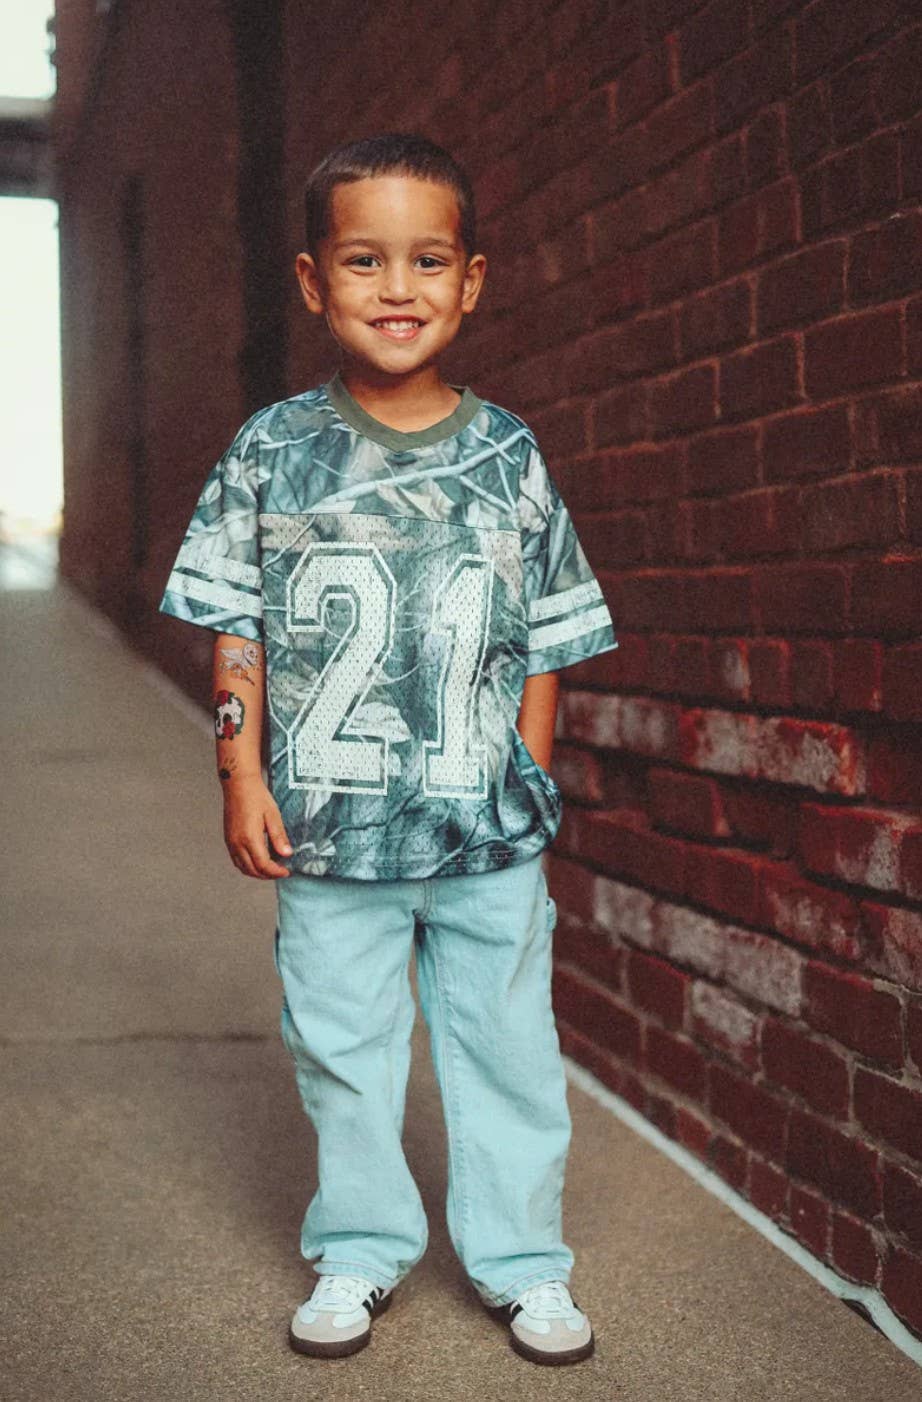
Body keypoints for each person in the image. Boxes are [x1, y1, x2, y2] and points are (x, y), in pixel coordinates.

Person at [159, 132, 618, 1367]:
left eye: (428, 260)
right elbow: (237, 629)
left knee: (508, 1047)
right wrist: (239, 771)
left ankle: (524, 1263)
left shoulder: (509, 453)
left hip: (484, 830)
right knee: (342, 1049)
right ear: (314, 282)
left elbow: (546, 640)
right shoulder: (270, 450)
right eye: (365, 260)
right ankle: (358, 1248)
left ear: (472, 281)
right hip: (327, 830)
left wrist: (523, 772)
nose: (398, 287)